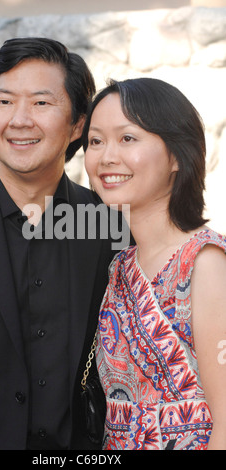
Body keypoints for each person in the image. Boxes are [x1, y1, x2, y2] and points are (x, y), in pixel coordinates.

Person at [0, 37, 117, 450]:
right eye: (5, 101)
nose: (19, 120)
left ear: (77, 125)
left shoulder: (107, 225)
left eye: (41, 103)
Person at [83, 77, 226, 450]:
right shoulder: (120, 268)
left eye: (127, 138)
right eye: (95, 141)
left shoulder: (206, 263)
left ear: (178, 155)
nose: (106, 156)